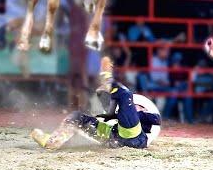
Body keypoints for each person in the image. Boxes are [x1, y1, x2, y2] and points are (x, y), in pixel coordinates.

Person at [31, 57, 161, 150]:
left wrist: (107, 84)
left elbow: (150, 118)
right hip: (113, 137)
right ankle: (53, 140)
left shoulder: (148, 116)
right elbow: (111, 111)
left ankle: (107, 78)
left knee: (125, 94)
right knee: (77, 117)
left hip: (133, 138)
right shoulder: (121, 111)